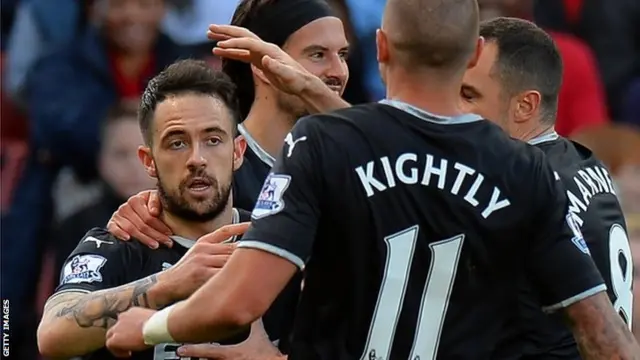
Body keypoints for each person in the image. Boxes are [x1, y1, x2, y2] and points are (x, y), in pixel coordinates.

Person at [105, 0, 639, 359]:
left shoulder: (321, 144)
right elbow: (605, 335)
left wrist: (147, 326)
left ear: (380, 47)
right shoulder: (526, 170)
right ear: (473, 53)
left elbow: (238, 303)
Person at [105, 0, 350, 351]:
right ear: (266, 66)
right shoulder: (209, 179)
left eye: (342, 55)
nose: (338, 72)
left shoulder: (354, 168)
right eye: (317, 55)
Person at [36, 60, 269, 360]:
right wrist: (168, 283)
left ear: (237, 152)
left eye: (212, 140)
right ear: (148, 161)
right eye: (177, 143)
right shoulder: (117, 245)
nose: (197, 159)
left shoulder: (275, 242)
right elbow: (52, 334)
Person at [459, 17, 633, 359]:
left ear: (525, 106)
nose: (453, 109)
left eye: (468, 95)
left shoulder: (518, 187)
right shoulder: (585, 162)